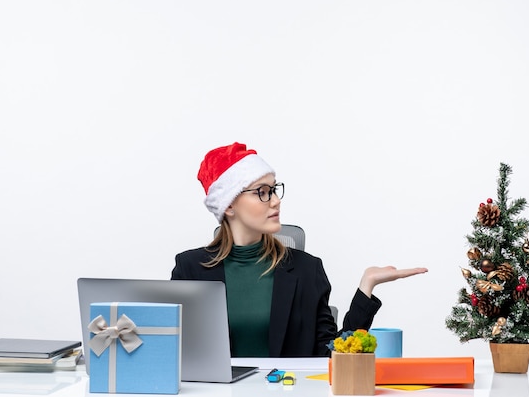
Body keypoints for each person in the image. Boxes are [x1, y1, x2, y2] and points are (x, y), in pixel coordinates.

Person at [171, 142, 427, 357]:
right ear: (228, 206)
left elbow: (331, 355)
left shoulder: (307, 270)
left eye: (274, 189)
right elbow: (173, 351)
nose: (275, 200)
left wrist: (366, 287)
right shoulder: (189, 269)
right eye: (262, 192)